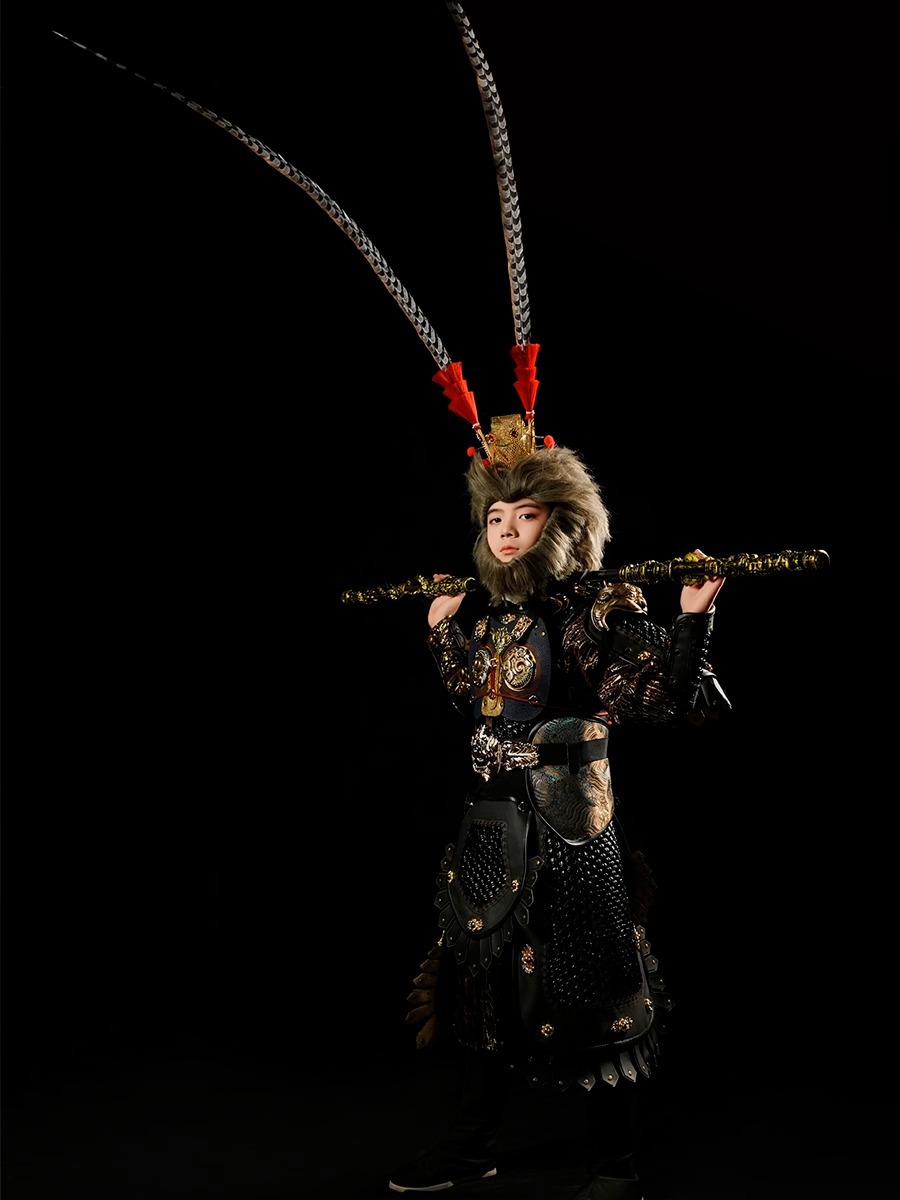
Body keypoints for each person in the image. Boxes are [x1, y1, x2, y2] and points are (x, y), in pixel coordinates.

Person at [388, 413, 728, 1199]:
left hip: (570, 830)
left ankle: (615, 1161)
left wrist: (692, 619)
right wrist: (443, 635)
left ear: (562, 522)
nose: (506, 531)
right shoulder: (498, 615)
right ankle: (474, 1142)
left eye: (526, 514)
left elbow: (666, 702)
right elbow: (479, 701)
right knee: (481, 982)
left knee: (590, 981)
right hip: (490, 826)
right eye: (494, 518)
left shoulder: (596, 611)